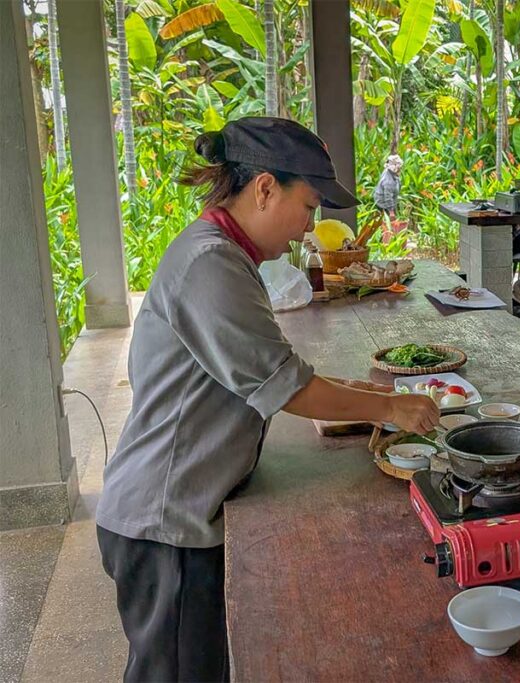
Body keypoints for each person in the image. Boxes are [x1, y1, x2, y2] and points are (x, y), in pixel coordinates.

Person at [95, 118, 440, 682]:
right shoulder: (210, 265)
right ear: (263, 189)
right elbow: (288, 387)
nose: (308, 228)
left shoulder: (225, 255)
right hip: (165, 521)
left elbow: (274, 368)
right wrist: (390, 408)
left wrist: (364, 391)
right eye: (307, 208)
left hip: (183, 507)